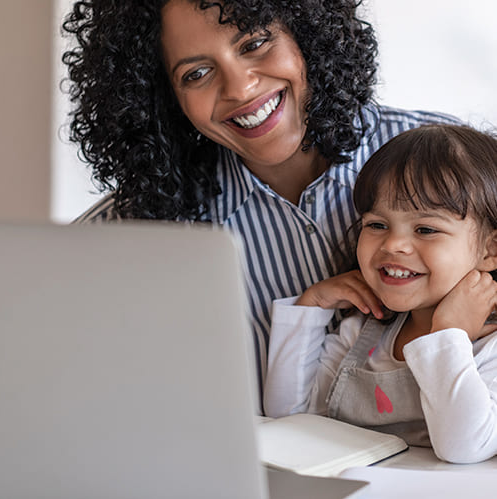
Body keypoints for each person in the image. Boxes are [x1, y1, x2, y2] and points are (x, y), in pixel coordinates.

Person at [62, 0, 460, 400]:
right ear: (165, 100)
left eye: (254, 44)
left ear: (305, 33)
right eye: (196, 73)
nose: (240, 88)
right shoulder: (117, 240)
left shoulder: (461, 168)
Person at [264, 124, 497, 463]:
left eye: (426, 229)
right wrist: (310, 307)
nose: (393, 244)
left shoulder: (489, 346)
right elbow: (289, 417)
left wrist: (450, 334)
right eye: (376, 225)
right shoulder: (362, 333)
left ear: (490, 250)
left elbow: (463, 448)